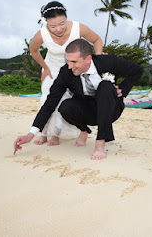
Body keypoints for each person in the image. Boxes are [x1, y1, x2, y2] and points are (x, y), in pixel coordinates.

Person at [14, 39, 142, 160]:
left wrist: (123, 89)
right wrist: (31, 134)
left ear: (88, 59)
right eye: (68, 61)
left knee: (105, 86)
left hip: (111, 109)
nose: (70, 66)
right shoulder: (66, 72)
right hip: (88, 111)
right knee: (65, 106)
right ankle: (84, 130)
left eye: (74, 62)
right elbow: (50, 102)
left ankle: (100, 144)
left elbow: (137, 70)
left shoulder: (108, 61)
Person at [29, 1, 103, 147]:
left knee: (64, 100)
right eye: (53, 26)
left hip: (72, 69)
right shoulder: (42, 34)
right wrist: (45, 68)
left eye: (62, 23)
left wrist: (96, 59)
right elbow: (33, 50)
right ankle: (43, 133)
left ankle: (56, 134)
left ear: (66, 18)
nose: (58, 29)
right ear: (46, 23)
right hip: (51, 67)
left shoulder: (78, 28)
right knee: (47, 100)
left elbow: (96, 40)